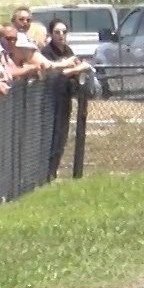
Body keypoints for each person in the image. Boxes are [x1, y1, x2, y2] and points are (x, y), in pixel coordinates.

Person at [41, 20, 93, 179]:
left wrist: (75, 68)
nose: (61, 35)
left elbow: (70, 68)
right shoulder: (47, 52)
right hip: (50, 99)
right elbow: (56, 73)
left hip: (65, 98)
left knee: (62, 136)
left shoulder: (68, 50)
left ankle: (54, 172)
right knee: (52, 136)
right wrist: (77, 68)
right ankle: (47, 173)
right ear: (51, 34)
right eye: (57, 32)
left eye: (64, 32)